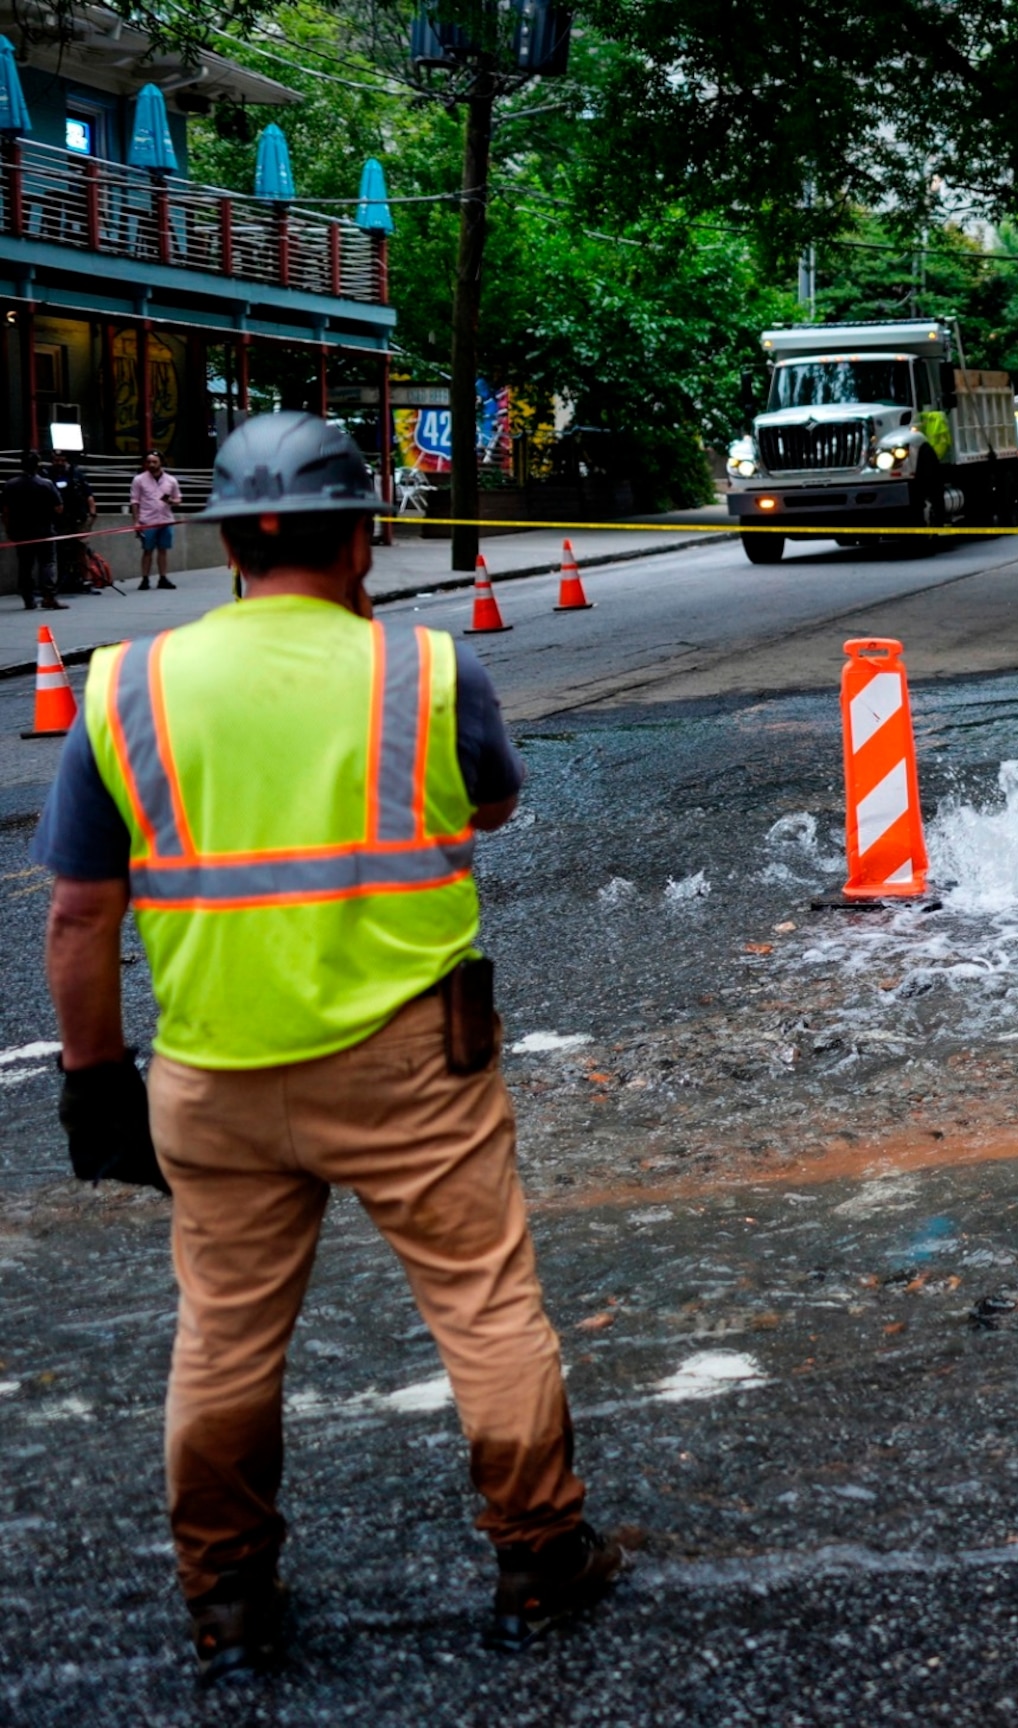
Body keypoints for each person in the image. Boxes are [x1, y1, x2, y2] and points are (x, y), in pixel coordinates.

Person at [34, 413, 619, 1687]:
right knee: (484, 1306)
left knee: (226, 1336)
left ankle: (228, 1597)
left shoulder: (124, 685)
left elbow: (81, 910)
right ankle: (538, 1558)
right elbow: (495, 801)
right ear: (364, 536)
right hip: (415, 1064)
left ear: (233, 541)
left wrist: (93, 1078)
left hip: (212, 1073)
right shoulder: (426, 672)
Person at [5, 453, 63, 612]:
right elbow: (59, 508)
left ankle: (28, 599)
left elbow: (6, 510)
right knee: (48, 563)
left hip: (21, 531)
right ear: (38, 465)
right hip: (44, 529)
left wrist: (9, 529)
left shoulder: (10, 485)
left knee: (25, 565)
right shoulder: (46, 484)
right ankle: (49, 596)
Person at [129, 449, 182, 591]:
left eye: (154, 462)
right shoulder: (139, 479)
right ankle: (145, 579)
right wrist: (136, 521)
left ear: (161, 463)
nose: (151, 464)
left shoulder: (171, 480)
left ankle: (163, 578)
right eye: (148, 462)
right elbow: (135, 501)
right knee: (147, 550)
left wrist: (171, 501)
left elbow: (178, 499)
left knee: (163, 550)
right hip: (147, 521)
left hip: (166, 520)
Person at [47, 453, 95, 594]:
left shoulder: (76, 475)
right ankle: (62, 578)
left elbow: (89, 495)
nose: (60, 463)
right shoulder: (48, 476)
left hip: (78, 518)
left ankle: (85, 579)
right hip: (59, 520)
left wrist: (92, 513)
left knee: (81, 548)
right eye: (57, 460)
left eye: (62, 460)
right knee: (61, 550)